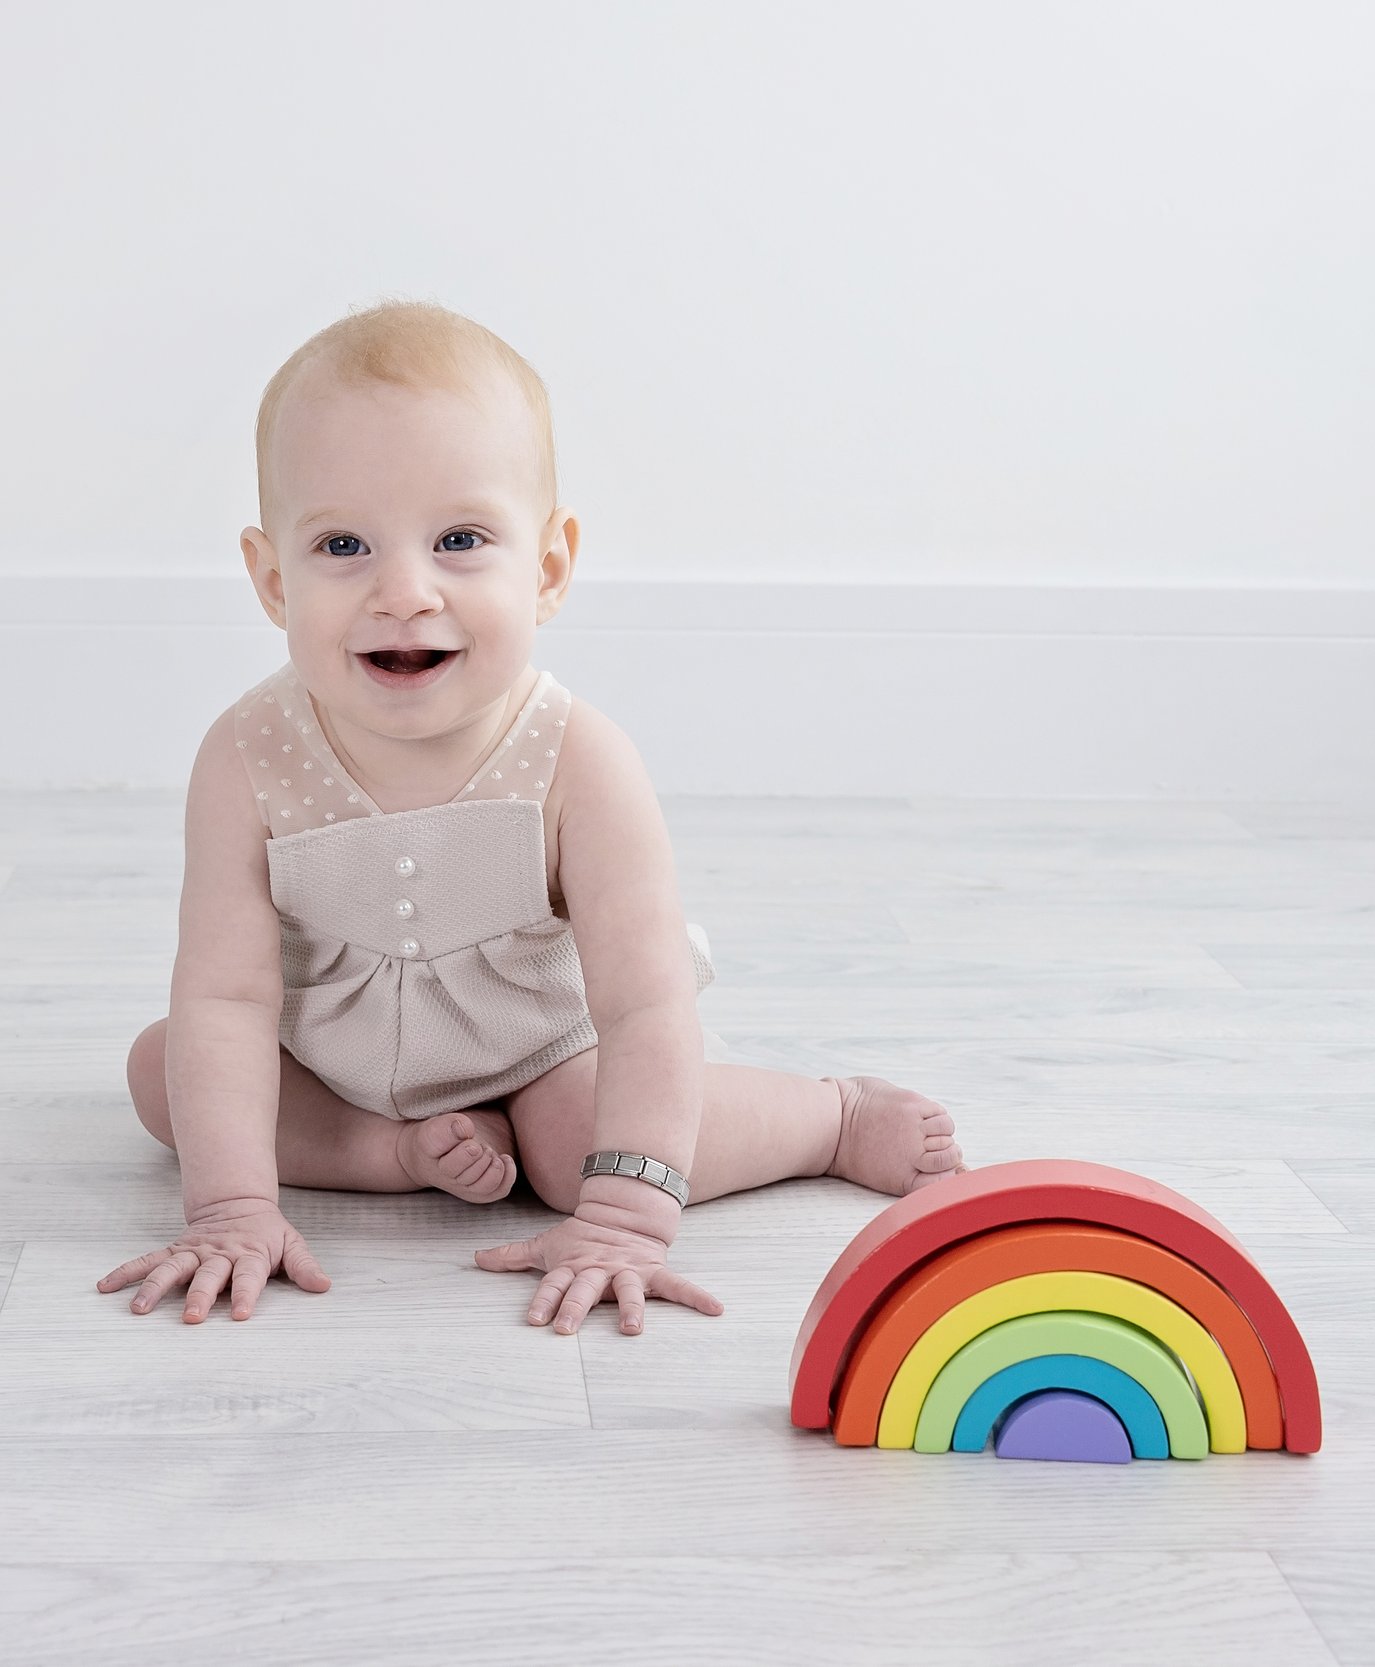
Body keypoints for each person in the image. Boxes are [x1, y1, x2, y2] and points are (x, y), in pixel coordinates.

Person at [99, 300, 963, 1337]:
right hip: (339, 1052)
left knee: (567, 1144)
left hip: (546, 1047)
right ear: (272, 577)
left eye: (459, 539)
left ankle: (826, 1116)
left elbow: (644, 1006)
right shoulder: (246, 758)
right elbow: (230, 994)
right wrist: (232, 1208)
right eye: (343, 545)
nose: (404, 591)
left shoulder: (576, 760)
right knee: (166, 1070)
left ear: (548, 567)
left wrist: (626, 1216)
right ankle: (391, 1153)